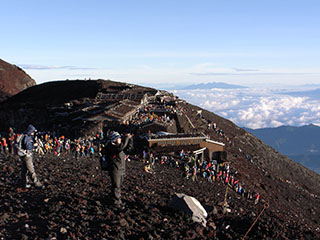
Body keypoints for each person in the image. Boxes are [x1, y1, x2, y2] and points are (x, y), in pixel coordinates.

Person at [103, 131, 133, 209]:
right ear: (115, 139)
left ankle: (115, 200)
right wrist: (126, 138)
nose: (120, 139)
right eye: (119, 138)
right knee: (116, 186)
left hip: (121, 169)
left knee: (118, 186)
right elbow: (121, 147)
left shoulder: (118, 147)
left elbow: (128, 148)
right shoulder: (111, 147)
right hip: (115, 170)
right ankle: (116, 202)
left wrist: (130, 139)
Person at [19, 125, 43, 189]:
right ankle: (37, 184)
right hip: (27, 155)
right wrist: (34, 145)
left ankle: (23, 184)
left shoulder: (24, 136)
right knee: (31, 170)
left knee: (24, 170)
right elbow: (28, 146)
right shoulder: (28, 137)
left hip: (23, 155)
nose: (33, 133)